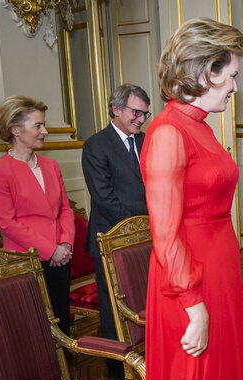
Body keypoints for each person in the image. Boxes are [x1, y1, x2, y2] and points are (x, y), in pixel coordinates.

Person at [140, 18, 243, 380]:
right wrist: (194, 305)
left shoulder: (199, 126)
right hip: (186, 286)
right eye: (229, 74)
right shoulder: (168, 132)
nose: (234, 85)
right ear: (203, 71)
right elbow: (165, 233)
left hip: (218, 273)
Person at [0, 95, 75, 334]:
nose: (44, 131)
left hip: (61, 258)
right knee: (34, 329)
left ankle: (67, 370)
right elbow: (7, 223)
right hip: (26, 261)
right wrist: (50, 249)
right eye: (38, 125)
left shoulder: (51, 165)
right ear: (16, 130)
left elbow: (65, 210)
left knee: (61, 322)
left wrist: (65, 243)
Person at [82, 83, 151, 343]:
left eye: (145, 113)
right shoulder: (96, 145)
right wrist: (139, 225)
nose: (142, 119)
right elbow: (104, 198)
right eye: (136, 112)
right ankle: (118, 364)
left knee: (144, 298)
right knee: (115, 304)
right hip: (110, 238)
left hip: (147, 236)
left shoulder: (148, 140)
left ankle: (149, 353)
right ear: (116, 109)